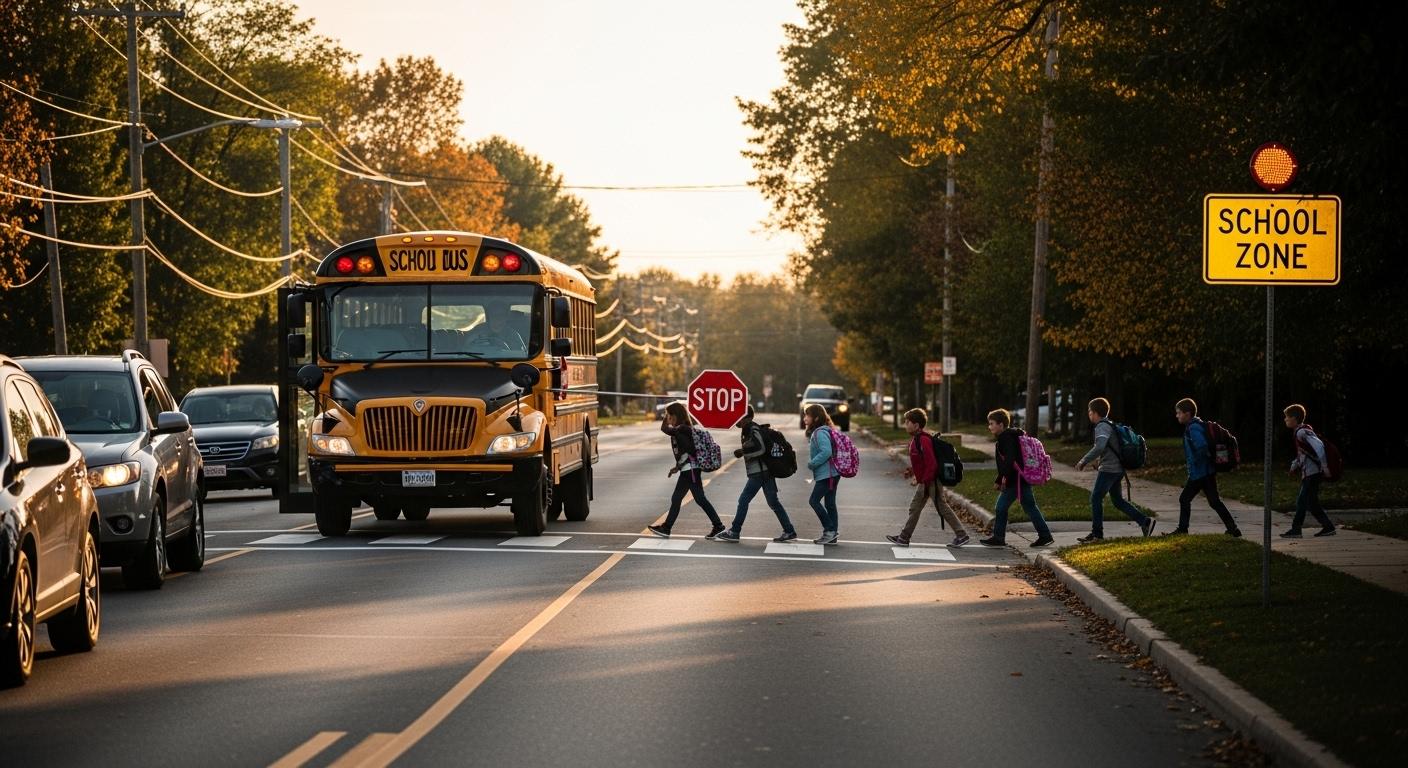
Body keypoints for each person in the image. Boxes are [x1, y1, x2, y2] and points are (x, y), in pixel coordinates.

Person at [886, 408, 971, 548]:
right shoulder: (916, 439)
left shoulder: (924, 440)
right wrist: (912, 471)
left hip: (930, 481)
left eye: (908, 422)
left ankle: (961, 535)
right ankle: (904, 537)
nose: (905, 424)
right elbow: (921, 462)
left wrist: (925, 482)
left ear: (917, 425)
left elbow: (932, 464)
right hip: (926, 480)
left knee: (941, 507)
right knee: (915, 507)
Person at [1075, 397, 1156, 542]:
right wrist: (1099, 462)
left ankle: (1097, 534)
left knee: (1095, 498)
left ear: (1094, 413)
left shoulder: (1101, 426)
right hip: (1116, 469)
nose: (1089, 414)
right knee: (1117, 501)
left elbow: (1099, 447)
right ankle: (1145, 522)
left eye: (1089, 411)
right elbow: (1110, 448)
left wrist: (1083, 461)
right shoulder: (1109, 424)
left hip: (1109, 470)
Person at [715, 406, 798, 543]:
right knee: (773, 502)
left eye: (739, 416)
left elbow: (761, 449)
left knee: (744, 500)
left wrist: (743, 452)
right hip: (766, 472)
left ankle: (735, 531)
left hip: (759, 473)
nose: (737, 419)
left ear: (747, 418)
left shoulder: (753, 429)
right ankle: (789, 530)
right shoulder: (748, 429)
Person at [648, 402, 725, 539]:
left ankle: (718, 526)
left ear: (674, 416)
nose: (668, 419)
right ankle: (667, 527)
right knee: (682, 499)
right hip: (688, 470)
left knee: (697, 499)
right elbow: (686, 451)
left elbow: (688, 449)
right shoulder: (684, 429)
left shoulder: (681, 430)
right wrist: (677, 467)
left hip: (691, 471)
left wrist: (680, 465)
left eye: (669, 416)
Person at [980, 408, 1054, 547]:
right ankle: (1045, 535)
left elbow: (1010, 460)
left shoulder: (1005, 438)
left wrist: (1000, 479)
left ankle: (999, 537)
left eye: (992, 423)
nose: (989, 427)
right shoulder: (1013, 435)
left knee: (1001, 507)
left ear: (1001, 425)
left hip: (1015, 479)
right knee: (1030, 506)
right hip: (1021, 477)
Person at [1168, 399, 1240, 536]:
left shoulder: (1193, 428)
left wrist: (1196, 462)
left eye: (1179, 413)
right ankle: (1233, 528)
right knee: (1214, 501)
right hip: (1208, 471)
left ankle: (1182, 529)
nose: (1177, 415)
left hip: (1199, 473)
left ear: (1187, 414)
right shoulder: (1197, 425)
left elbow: (1201, 446)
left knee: (1184, 499)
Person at [1281, 404, 1336, 538]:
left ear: (1294, 418)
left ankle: (1296, 529)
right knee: (1312, 503)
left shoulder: (1302, 432)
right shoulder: (1299, 432)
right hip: (1309, 473)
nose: (1285, 420)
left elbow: (1319, 447)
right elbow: (1302, 454)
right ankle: (1328, 527)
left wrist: (1325, 467)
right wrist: (1294, 466)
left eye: (1287, 417)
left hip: (1313, 473)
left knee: (1302, 502)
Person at [803, 403, 841, 545]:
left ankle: (829, 530)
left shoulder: (819, 433)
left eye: (807, 415)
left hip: (827, 474)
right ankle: (832, 534)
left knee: (814, 501)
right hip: (833, 473)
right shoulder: (824, 431)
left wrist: (812, 463)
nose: (804, 417)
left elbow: (826, 451)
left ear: (816, 417)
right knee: (830, 503)